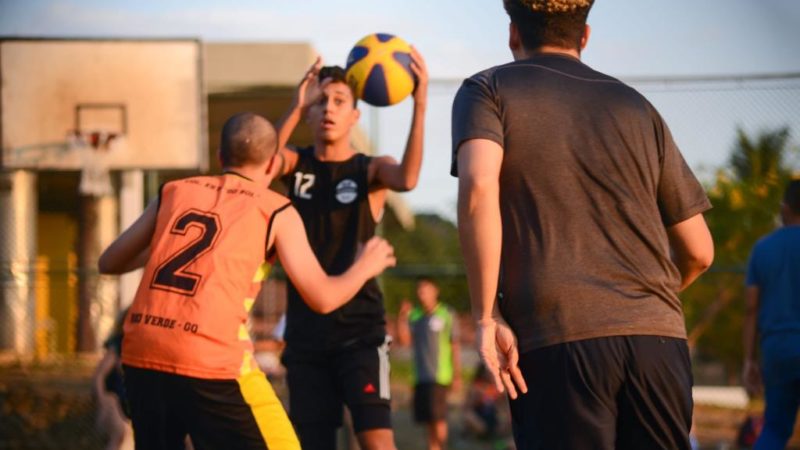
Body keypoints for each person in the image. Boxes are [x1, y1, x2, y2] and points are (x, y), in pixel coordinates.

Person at [451, 1, 715, 449]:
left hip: (559, 338)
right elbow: (699, 251)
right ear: (585, 36)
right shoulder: (637, 107)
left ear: (513, 33)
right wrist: (640, 305)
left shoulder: (487, 89)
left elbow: (478, 187)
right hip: (659, 341)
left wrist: (484, 316)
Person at [98, 112, 396, 450]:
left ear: (220, 157)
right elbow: (323, 297)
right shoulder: (276, 209)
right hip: (209, 357)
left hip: (141, 349)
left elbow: (109, 261)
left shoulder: (175, 192)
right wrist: (365, 265)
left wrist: (169, 241)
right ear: (273, 166)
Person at [272, 49, 428, 450]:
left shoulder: (370, 169)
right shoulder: (295, 164)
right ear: (309, 112)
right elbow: (260, 164)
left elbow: (408, 178)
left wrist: (420, 103)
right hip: (305, 333)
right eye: (321, 100)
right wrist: (294, 104)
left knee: (376, 442)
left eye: (340, 101)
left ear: (355, 116)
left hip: (360, 331)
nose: (329, 108)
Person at [743, 179, 800, 450]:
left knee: (775, 429)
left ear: (784, 208)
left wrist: (749, 360)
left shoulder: (763, 248)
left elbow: (751, 308)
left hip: (776, 348)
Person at [396, 277, 462, 450]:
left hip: (439, 375)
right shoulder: (415, 316)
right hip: (420, 376)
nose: (421, 294)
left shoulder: (447, 314)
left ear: (435, 291)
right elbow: (404, 341)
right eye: (419, 290)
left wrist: (457, 375)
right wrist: (402, 318)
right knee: (428, 422)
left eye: (425, 290)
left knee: (438, 420)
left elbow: (454, 345)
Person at [93, 307, 133, 450]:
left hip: (132, 406)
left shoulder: (145, 347)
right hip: (114, 402)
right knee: (121, 434)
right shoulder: (118, 345)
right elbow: (99, 376)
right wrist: (103, 399)